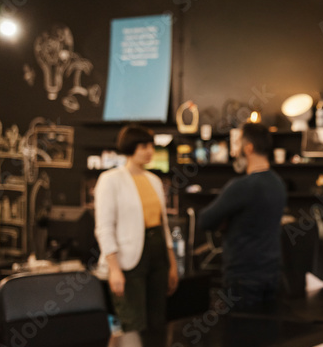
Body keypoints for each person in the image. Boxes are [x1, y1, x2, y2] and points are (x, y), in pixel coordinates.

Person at [94, 124, 177, 332]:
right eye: (143, 146)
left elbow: (163, 225)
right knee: (134, 323)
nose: (149, 151)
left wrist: (172, 263)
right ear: (130, 148)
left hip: (158, 253)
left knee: (158, 321)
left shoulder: (155, 180)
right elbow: (104, 227)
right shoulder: (110, 180)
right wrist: (113, 268)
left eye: (151, 146)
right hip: (129, 259)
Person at [197, 122, 287, 312]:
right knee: (268, 337)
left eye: (238, 145)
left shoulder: (241, 186)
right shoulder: (278, 183)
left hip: (243, 276)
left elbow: (205, 220)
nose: (236, 151)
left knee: (239, 337)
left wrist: (226, 222)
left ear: (248, 148)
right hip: (272, 272)